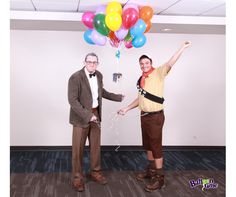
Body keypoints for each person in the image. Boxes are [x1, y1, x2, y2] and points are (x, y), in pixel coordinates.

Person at [118, 41, 191, 192]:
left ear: (151, 63)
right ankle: (151, 170)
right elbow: (140, 99)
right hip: (144, 116)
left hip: (155, 117)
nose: (144, 65)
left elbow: (171, 61)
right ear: (140, 65)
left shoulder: (158, 73)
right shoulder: (141, 79)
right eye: (142, 63)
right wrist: (126, 108)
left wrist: (182, 48)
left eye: (146, 62)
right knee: (148, 145)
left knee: (156, 146)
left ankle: (160, 178)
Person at [68, 52, 124, 192]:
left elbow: (101, 92)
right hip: (81, 117)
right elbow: (72, 101)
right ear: (84, 62)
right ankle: (77, 178)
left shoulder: (98, 75)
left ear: (97, 63)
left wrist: (117, 97)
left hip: (96, 114)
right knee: (78, 149)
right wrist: (88, 115)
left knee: (95, 147)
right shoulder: (75, 77)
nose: (92, 64)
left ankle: (95, 172)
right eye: (89, 62)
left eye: (95, 62)